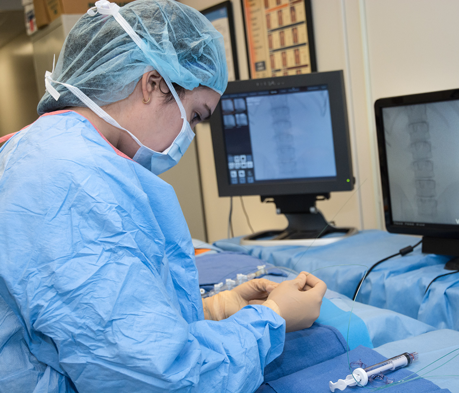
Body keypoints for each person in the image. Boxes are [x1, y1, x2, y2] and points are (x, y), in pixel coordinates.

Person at [0, 1, 326, 392]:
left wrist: (217, 309)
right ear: (153, 84)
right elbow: (157, 379)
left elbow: (106, 323)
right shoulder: (71, 179)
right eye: (196, 117)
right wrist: (271, 319)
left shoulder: (45, 150)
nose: (190, 135)